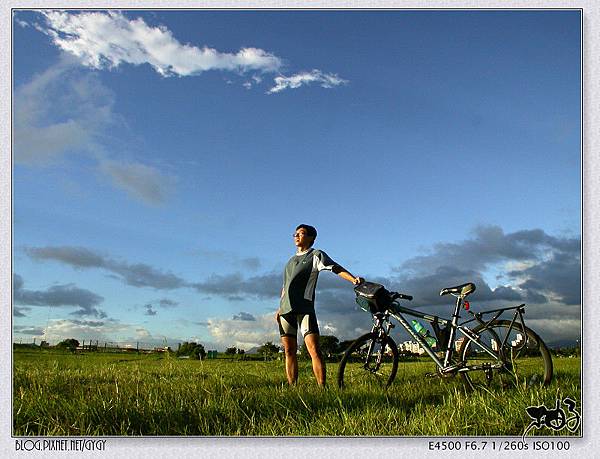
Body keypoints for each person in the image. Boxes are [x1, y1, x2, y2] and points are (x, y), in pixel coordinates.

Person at [275, 224, 363, 386]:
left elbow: (335, 267)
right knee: (289, 351)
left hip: (304, 309)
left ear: (311, 238)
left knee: (314, 350)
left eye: (301, 233)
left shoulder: (316, 255)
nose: (296, 236)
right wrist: (279, 309)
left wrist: (353, 279)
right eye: (295, 234)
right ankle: (292, 387)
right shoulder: (290, 261)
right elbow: (285, 286)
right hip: (286, 310)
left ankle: (323, 387)